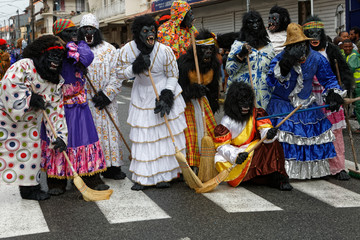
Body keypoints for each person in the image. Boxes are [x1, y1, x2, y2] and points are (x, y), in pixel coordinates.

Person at [266, 23, 346, 179]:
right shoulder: (281, 58)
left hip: (306, 104)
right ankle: (283, 171)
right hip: (282, 103)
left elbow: (329, 79)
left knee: (313, 135)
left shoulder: (316, 58)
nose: (299, 48)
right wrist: (283, 69)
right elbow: (270, 82)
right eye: (294, 44)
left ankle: (313, 171)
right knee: (285, 135)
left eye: (301, 43)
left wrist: (333, 94)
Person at [118, 15, 187, 190]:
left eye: (153, 30)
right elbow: (119, 73)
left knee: (163, 137)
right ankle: (143, 177)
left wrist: (166, 95)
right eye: (146, 31)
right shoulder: (128, 50)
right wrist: (135, 67)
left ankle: (164, 176)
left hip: (162, 90)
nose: (151, 34)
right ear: (138, 33)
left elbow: (173, 75)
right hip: (141, 95)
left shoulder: (164, 51)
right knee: (144, 138)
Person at [40, 19, 108, 195]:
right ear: (58, 34)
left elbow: (87, 59)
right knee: (57, 139)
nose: (73, 35)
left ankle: (90, 177)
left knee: (84, 139)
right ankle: (56, 181)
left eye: (74, 31)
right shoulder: (52, 50)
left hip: (78, 103)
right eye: (68, 32)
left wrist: (72, 47)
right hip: (56, 104)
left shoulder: (80, 46)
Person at [0, 35, 67, 200]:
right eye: (52, 56)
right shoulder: (23, 66)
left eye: (60, 57)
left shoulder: (55, 81)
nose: (56, 61)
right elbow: (8, 84)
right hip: (7, 120)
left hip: (29, 125)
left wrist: (60, 137)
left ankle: (30, 189)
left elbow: (56, 112)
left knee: (32, 153)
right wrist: (29, 99)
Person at [213, 82, 292, 190]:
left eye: (248, 101)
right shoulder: (226, 122)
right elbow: (221, 146)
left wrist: (268, 133)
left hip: (254, 150)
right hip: (237, 155)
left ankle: (279, 179)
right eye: (241, 101)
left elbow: (264, 127)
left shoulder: (257, 113)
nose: (246, 105)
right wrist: (236, 155)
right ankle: (252, 177)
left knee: (273, 143)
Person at [303, 16, 353, 180]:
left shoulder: (331, 50)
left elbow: (345, 74)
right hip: (310, 98)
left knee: (335, 133)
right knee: (311, 133)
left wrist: (340, 94)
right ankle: (316, 167)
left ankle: (338, 167)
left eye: (318, 33)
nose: (315, 37)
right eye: (311, 33)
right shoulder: (301, 51)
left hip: (330, 97)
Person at [78, 13, 126, 180]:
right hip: (86, 102)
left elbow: (117, 74)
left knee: (110, 134)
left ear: (97, 31)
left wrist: (107, 95)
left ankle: (112, 168)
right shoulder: (75, 50)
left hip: (107, 102)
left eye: (91, 29)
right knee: (90, 136)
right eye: (85, 29)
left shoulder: (109, 50)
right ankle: (92, 168)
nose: (88, 32)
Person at [177, 29, 219, 173]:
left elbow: (214, 89)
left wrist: (211, 102)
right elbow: (179, 88)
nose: (208, 52)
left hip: (204, 103)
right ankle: (189, 164)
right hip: (187, 104)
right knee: (190, 135)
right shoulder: (183, 64)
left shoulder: (215, 65)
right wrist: (192, 90)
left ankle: (207, 162)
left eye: (210, 49)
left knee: (209, 132)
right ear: (198, 50)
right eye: (204, 49)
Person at [226, 10, 275, 110]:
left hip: (265, 98)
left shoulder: (269, 47)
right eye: (251, 23)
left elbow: (274, 71)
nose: (255, 25)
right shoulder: (239, 44)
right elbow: (229, 70)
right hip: (243, 98)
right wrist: (240, 56)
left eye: (257, 22)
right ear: (245, 26)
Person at [343, 39, 360, 133]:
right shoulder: (347, 56)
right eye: (345, 47)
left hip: (358, 84)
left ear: (353, 47)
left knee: (358, 106)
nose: (347, 48)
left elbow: (349, 70)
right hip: (355, 84)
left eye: (349, 46)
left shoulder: (353, 56)